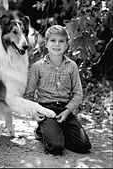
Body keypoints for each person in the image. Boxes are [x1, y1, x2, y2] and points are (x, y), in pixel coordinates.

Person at [24, 25, 91, 155]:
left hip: (65, 110)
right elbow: (28, 94)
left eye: (61, 41)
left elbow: (78, 93)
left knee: (84, 146)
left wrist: (67, 112)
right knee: (56, 147)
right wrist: (33, 112)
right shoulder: (37, 67)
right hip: (46, 109)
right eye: (53, 40)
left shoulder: (71, 66)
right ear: (46, 44)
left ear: (67, 45)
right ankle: (43, 131)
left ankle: (57, 130)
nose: (57, 44)